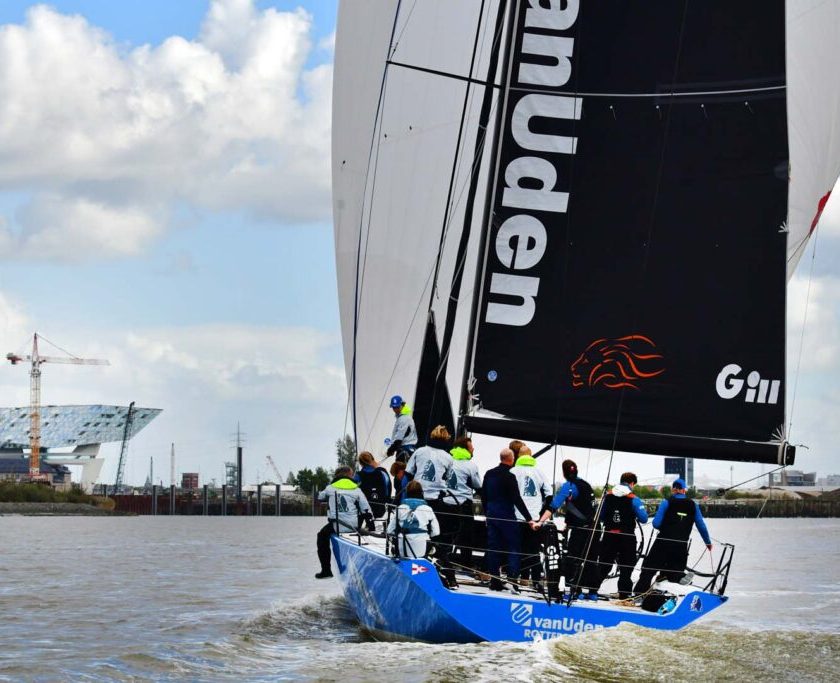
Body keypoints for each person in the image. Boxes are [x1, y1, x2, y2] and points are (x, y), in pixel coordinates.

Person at [634, 478, 712, 595]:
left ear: (673, 490)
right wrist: (708, 542)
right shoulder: (693, 505)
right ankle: (678, 577)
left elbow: (656, 524)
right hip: (681, 545)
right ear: (684, 490)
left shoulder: (667, 502)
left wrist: (667, 527)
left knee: (648, 570)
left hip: (663, 543)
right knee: (674, 570)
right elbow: (701, 525)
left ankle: (638, 594)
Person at [537, 459, 599, 597]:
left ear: (564, 473)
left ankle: (574, 591)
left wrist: (540, 521)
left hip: (580, 529)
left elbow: (554, 505)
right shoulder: (586, 485)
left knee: (573, 558)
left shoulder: (569, 486)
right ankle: (593, 592)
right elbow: (585, 507)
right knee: (591, 559)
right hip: (594, 528)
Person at [481, 448, 537, 591]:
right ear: (511, 459)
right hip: (507, 517)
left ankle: (494, 580)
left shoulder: (489, 473)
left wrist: (486, 513)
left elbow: (484, 495)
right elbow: (516, 499)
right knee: (514, 547)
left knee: (494, 548)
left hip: (492, 515)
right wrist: (529, 518)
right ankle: (513, 579)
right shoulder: (510, 476)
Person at [406, 425, 456, 582]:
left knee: (411, 532)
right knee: (435, 536)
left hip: (416, 499)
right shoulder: (448, 457)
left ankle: (412, 562)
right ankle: (449, 575)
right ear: (446, 439)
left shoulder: (419, 451)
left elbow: (408, 473)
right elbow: (448, 478)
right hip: (435, 501)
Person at [595, 472, 648, 598]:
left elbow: (600, 517)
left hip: (609, 536)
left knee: (604, 565)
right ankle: (624, 595)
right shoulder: (634, 499)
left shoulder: (607, 496)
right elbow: (644, 519)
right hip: (627, 538)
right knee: (626, 568)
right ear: (631, 483)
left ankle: (592, 590)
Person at [315, 466, 374, 579]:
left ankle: (326, 570)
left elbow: (320, 497)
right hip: (353, 526)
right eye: (352, 475)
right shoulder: (356, 489)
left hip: (336, 525)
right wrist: (371, 527)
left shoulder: (330, 488)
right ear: (349, 475)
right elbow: (366, 509)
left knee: (321, 536)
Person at [511, 446, 551, 584]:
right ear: (531, 456)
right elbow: (549, 494)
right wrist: (542, 515)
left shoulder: (513, 471)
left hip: (517, 517)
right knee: (533, 550)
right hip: (535, 518)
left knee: (517, 549)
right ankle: (533, 580)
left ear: (518, 456)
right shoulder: (539, 472)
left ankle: (516, 578)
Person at [447, 435, 483, 568]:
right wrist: (478, 510)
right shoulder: (471, 466)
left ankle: (444, 560)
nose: (473, 449)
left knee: (446, 534)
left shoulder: (447, 460)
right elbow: (478, 486)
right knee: (466, 537)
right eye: (471, 447)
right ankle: (466, 564)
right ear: (466, 449)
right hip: (463, 505)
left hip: (445, 502)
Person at [387, 480, 440, 558]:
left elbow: (389, 530)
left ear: (407, 493)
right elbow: (436, 532)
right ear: (421, 493)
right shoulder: (427, 509)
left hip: (403, 548)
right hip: (421, 548)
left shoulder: (400, 508)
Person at [355, 451, 391, 518]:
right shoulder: (381, 473)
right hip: (380, 509)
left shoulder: (358, 475)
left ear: (360, 463)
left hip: (364, 511)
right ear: (372, 460)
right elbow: (387, 490)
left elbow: (353, 492)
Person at [385, 395, 418, 462]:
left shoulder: (404, 419)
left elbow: (399, 439)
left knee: (401, 471)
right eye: (394, 407)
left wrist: (391, 450)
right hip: (407, 449)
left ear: (402, 405)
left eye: (397, 407)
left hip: (405, 450)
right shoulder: (402, 418)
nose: (395, 409)